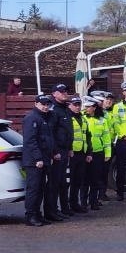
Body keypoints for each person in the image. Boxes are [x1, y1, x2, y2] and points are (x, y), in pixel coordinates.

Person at [21, 95, 55, 226]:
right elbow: (30, 141)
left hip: (43, 159)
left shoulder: (42, 118)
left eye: (47, 104)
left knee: (40, 189)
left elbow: (46, 140)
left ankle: (37, 215)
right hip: (34, 161)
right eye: (43, 104)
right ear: (36, 104)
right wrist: (38, 158)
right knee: (33, 189)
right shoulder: (31, 118)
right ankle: (30, 216)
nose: (45, 107)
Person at [46, 84, 74, 219]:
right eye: (61, 92)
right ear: (54, 94)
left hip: (65, 150)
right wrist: (54, 151)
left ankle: (62, 208)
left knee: (63, 181)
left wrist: (69, 148)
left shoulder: (65, 109)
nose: (65, 93)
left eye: (66, 91)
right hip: (57, 152)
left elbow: (67, 130)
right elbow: (51, 133)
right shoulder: (53, 110)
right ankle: (52, 211)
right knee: (54, 182)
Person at [84, 92, 114, 210]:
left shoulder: (102, 119)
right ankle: (83, 202)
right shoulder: (82, 118)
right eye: (85, 106)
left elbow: (106, 138)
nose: (86, 109)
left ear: (94, 107)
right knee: (85, 180)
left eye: (88, 106)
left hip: (98, 152)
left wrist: (108, 153)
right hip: (85, 153)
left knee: (96, 179)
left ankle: (94, 201)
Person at [65, 97, 89, 214]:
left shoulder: (83, 118)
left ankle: (75, 203)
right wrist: (68, 149)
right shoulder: (67, 118)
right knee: (69, 181)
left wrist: (89, 153)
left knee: (78, 180)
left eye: (79, 104)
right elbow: (65, 136)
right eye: (75, 105)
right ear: (70, 105)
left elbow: (87, 136)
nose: (78, 107)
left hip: (82, 154)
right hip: (71, 154)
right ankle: (67, 205)